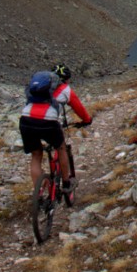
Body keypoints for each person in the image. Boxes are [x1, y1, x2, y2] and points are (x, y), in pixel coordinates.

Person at [19, 63, 92, 191]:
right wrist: (87, 120)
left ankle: (39, 192)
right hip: (48, 123)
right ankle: (66, 183)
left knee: (36, 155)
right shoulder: (65, 89)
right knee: (61, 148)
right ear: (66, 79)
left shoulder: (39, 88)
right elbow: (79, 108)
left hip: (26, 120)